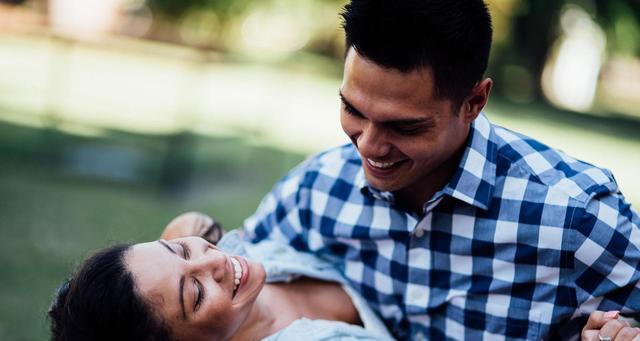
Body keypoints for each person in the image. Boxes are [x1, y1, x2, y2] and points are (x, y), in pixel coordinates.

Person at [241, 0, 640, 340]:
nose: (368, 145)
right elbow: (224, 270)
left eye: (405, 126)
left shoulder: (577, 217)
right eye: (353, 110)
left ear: (474, 102)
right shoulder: (314, 192)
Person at [48, 212, 394, 341]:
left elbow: (190, 225)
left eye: (179, 251)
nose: (214, 263)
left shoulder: (225, 248)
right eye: (196, 294)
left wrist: (188, 234)